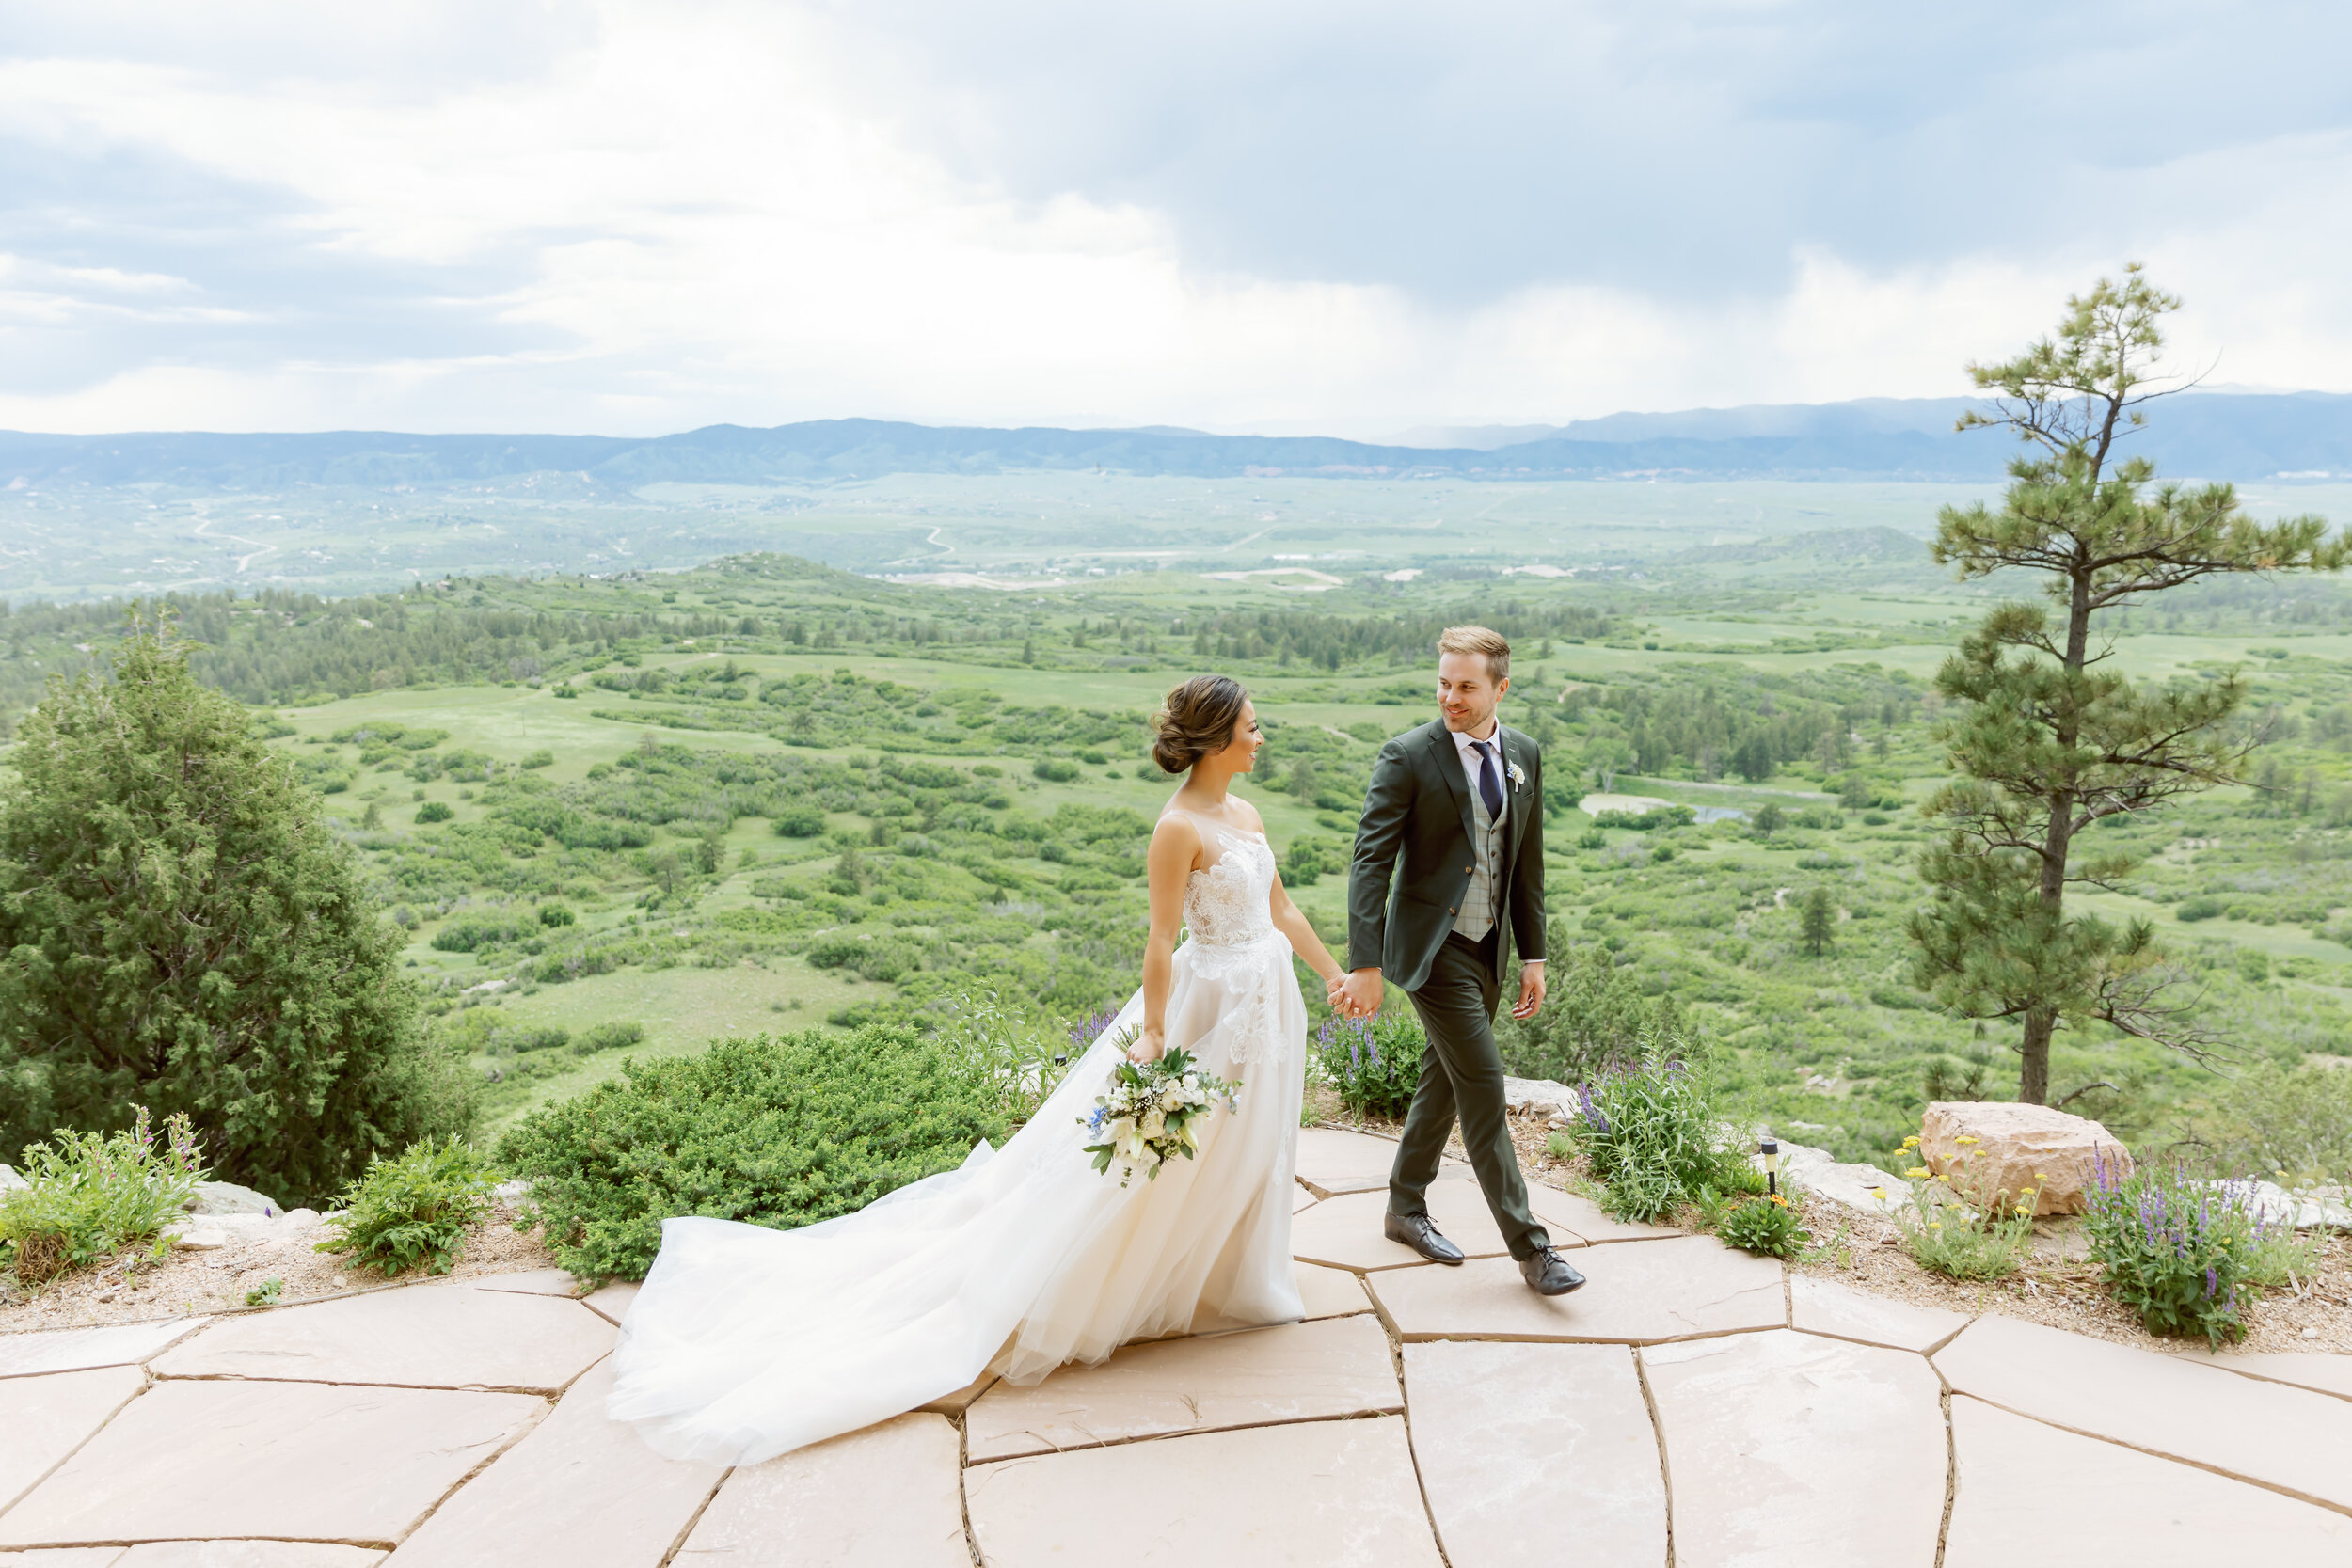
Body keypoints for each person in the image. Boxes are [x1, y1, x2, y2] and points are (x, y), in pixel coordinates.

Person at [605, 673, 1345, 1465]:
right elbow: (1160, 939)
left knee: (1250, 1140)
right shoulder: (1177, 828)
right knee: (1165, 1153)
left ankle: (1237, 1274)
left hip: (1267, 997)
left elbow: (1282, 908)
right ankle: (1141, 1282)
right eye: (1252, 728)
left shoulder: (1248, 813)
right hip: (1207, 1005)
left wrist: (1332, 974)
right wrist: (1157, 1033)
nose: (1261, 738)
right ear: (1215, 739)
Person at [1332, 626, 1585, 1297]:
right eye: (1444, 682)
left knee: (1442, 1080)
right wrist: (1366, 961)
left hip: (1490, 950)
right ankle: (1534, 1251)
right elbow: (1370, 862)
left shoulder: (1524, 753)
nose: (1450, 696)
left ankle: (1403, 1206)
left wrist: (1533, 952)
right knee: (1483, 1086)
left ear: (1500, 687)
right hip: (1431, 950)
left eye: (1466, 685)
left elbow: (1526, 864)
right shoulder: (1408, 755)